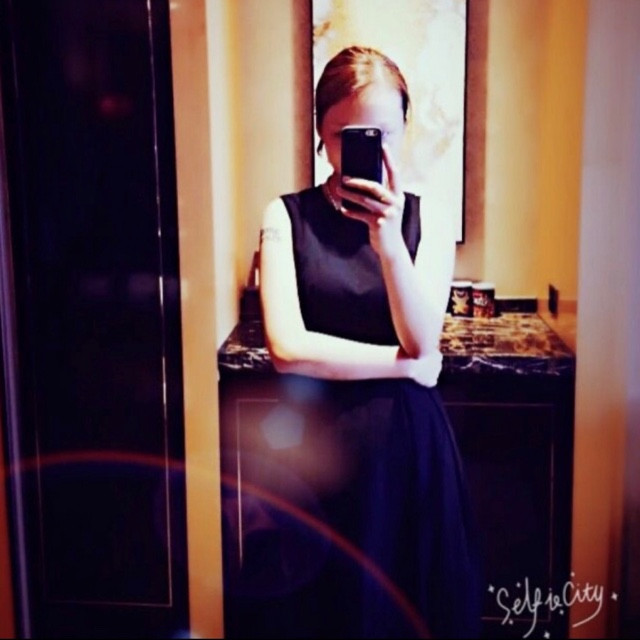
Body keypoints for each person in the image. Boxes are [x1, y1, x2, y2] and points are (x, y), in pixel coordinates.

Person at [229, 45, 482, 639]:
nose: (369, 149)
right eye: (349, 134)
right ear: (321, 133)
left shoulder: (429, 220)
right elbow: (288, 349)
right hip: (315, 455)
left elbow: (422, 337)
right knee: (324, 615)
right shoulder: (284, 216)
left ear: (404, 130)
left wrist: (388, 242)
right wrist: (404, 368)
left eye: (382, 133)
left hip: (407, 453)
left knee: (409, 609)